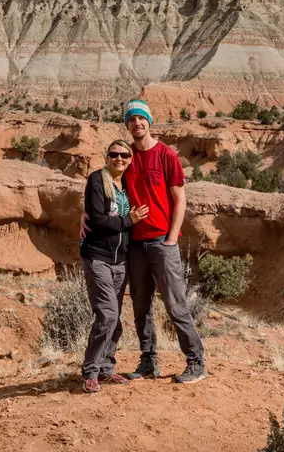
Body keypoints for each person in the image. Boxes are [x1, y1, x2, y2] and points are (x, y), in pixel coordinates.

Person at [84, 99, 207, 384]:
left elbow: (180, 199)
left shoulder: (166, 155)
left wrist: (171, 238)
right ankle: (148, 360)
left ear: (149, 122)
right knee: (141, 307)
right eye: (131, 119)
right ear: (126, 124)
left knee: (176, 304)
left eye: (141, 118)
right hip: (134, 245)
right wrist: (83, 214)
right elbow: (104, 185)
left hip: (162, 242)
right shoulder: (126, 157)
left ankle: (196, 361)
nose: (136, 123)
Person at [79, 139, 149, 394]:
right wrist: (128, 220)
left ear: (131, 160)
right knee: (106, 314)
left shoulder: (129, 184)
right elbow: (97, 220)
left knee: (114, 318)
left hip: (121, 259)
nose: (119, 159)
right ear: (107, 157)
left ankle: (107, 367)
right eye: (114, 154)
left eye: (124, 155)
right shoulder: (98, 180)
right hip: (97, 256)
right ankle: (91, 371)